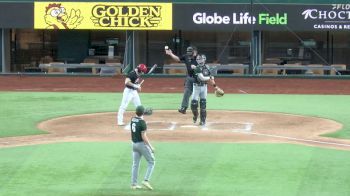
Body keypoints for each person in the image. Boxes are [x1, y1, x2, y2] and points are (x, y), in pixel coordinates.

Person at [165, 46, 198, 114]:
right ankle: (184, 107)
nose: (189, 54)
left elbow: (203, 67)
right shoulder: (186, 56)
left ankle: (199, 109)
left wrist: (196, 67)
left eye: (191, 52)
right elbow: (178, 59)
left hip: (198, 79)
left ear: (195, 52)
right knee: (186, 92)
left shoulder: (199, 58)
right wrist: (171, 54)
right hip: (189, 78)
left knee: (197, 95)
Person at [130, 105, 155, 190]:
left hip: (134, 145)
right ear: (142, 113)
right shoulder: (142, 123)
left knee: (135, 164)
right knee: (151, 161)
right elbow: (144, 137)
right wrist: (151, 147)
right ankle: (146, 180)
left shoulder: (132, 119)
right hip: (141, 145)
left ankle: (133, 184)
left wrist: (142, 113)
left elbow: (139, 117)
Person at [191, 54, 214, 126]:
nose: (199, 60)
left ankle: (203, 120)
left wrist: (214, 85)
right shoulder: (197, 68)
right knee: (194, 104)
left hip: (204, 87)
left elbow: (212, 76)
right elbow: (202, 78)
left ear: (203, 59)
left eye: (200, 59)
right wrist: (209, 78)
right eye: (197, 59)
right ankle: (195, 115)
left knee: (203, 104)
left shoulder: (207, 67)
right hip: (196, 87)